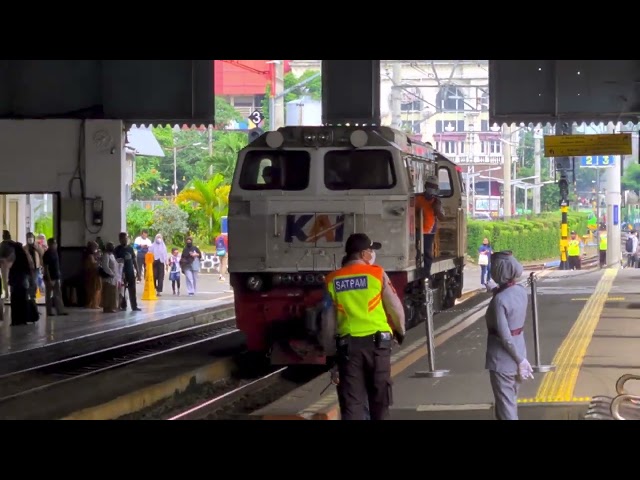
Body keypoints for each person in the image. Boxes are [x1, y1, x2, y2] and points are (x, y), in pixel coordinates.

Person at [322, 233, 406, 420]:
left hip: (348, 348)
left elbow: (328, 322)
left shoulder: (332, 279)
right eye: (370, 250)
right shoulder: (376, 273)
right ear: (363, 254)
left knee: (352, 404)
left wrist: (331, 354)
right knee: (380, 401)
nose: (372, 254)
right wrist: (400, 331)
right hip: (378, 347)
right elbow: (395, 307)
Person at [484, 251, 533, 420]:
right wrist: (521, 359)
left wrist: (519, 359)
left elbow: (505, 336)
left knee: (506, 409)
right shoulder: (520, 291)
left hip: (502, 359)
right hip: (520, 351)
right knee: (510, 402)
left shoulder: (499, 300)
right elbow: (508, 298)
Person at [415, 176, 446, 277]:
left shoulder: (437, 201)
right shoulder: (417, 198)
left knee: (427, 252)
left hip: (429, 231)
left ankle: (426, 273)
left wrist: (437, 209)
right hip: (416, 229)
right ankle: (417, 267)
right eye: (429, 186)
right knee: (416, 250)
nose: (431, 188)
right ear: (425, 186)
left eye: (433, 186)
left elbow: (442, 217)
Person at [114, 232, 141, 311]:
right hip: (122, 273)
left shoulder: (130, 248)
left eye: (126, 238)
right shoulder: (117, 249)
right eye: (123, 239)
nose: (125, 240)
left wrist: (138, 272)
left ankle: (134, 306)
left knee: (132, 289)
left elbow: (134, 260)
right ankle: (123, 305)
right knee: (122, 290)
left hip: (130, 272)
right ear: (120, 240)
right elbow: (115, 261)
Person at [42, 238, 67, 317]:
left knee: (58, 294)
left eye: (55, 244)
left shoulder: (55, 253)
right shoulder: (47, 254)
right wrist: (49, 279)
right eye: (54, 244)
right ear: (50, 244)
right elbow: (46, 268)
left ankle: (60, 310)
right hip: (50, 277)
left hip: (56, 277)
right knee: (49, 295)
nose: (55, 245)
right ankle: (49, 311)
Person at [82, 241, 102, 309]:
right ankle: (93, 304)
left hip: (93, 273)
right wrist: (99, 259)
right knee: (94, 288)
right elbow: (93, 264)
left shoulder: (92, 255)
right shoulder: (90, 255)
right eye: (95, 247)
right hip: (91, 274)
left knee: (95, 288)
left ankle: (94, 303)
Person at [100, 242, 119, 313]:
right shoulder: (106, 255)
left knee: (112, 293)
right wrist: (111, 273)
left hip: (113, 277)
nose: (113, 247)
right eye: (111, 246)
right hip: (109, 277)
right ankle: (106, 307)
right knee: (107, 293)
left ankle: (111, 307)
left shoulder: (112, 255)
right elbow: (105, 266)